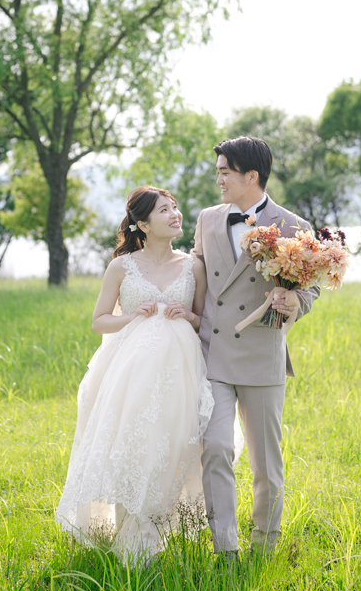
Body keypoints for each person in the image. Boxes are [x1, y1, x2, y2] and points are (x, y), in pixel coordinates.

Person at [55, 185, 244, 564]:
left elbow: (204, 320)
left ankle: (153, 532)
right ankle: (127, 536)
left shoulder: (193, 266)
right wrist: (131, 316)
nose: (175, 215)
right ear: (142, 224)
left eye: (175, 207)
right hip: (130, 373)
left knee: (171, 447)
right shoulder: (121, 267)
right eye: (164, 210)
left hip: (181, 372)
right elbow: (99, 321)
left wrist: (187, 315)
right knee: (131, 445)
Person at [194, 136, 320, 557]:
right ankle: (225, 548)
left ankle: (264, 546)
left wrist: (295, 302)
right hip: (212, 353)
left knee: (266, 462)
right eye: (218, 172)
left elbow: (311, 287)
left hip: (262, 355)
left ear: (251, 176)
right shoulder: (208, 219)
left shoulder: (293, 225)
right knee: (215, 448)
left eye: (224, 172)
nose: (219, 180)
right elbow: (196, 274)